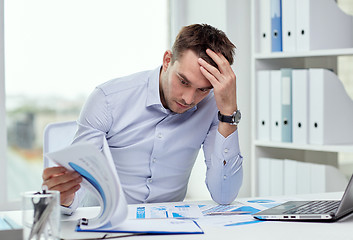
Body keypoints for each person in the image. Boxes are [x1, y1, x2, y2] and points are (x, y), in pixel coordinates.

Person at [42, 23, 243, 215]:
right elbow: (80, 179)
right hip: (107, 224)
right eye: (183, 81)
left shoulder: (213, 106)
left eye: (202, 89)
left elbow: (224, 195)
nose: (189, 99)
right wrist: (65, 197)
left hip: (172, 227)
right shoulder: (108, 99)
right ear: (167, 60)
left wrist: (228, 112)